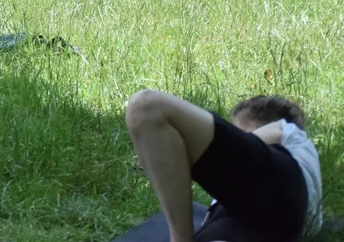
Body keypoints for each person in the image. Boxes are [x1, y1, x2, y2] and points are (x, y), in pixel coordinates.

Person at [126, 90, 321, 242]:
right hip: (250, 223)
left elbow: (242, 152)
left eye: (236, 133)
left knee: (146, 107)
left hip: (284, 189)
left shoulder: (290, 134)